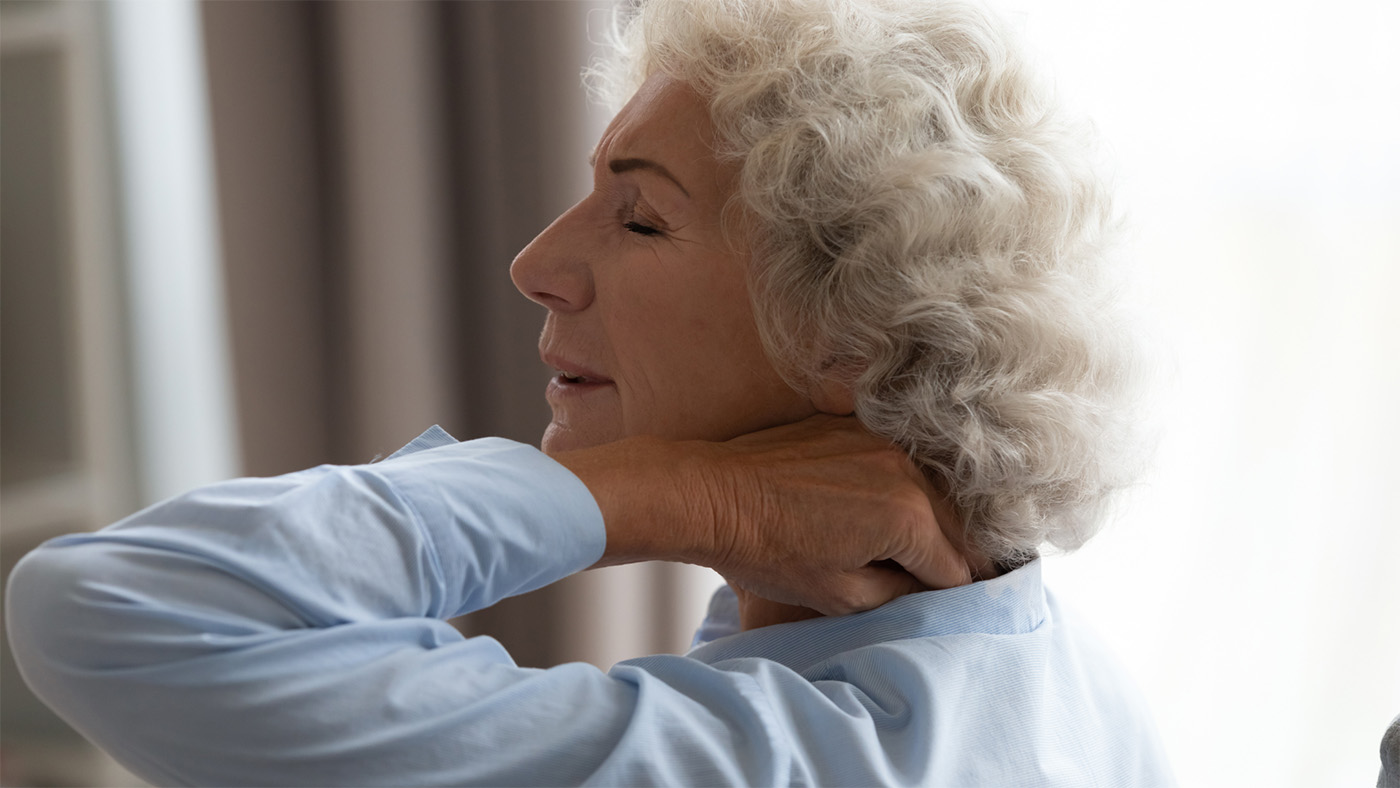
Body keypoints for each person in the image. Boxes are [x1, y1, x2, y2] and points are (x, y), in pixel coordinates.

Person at [6, 0, 1174, 784]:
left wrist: (668, 493)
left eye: (640, 216)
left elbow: (114, 603)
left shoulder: (763, 756)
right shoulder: (1065, 681)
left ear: (849, 337)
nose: (536, 264)